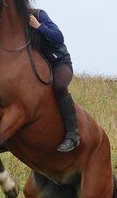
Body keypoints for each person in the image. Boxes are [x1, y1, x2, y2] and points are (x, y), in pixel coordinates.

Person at [28, 9, 80, 152]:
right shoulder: (15, 22)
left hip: (60, 63)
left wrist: (38, 26)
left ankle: (73, 136)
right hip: (39, 67)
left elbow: (59, 37)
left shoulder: (39, 15)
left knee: (59, 87)